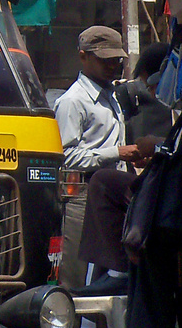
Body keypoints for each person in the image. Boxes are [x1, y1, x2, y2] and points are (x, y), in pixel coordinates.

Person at [53, 25, 150, 292]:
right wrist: (117, 153)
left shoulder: (111, 97)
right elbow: (67, 158)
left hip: (112, 196)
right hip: (82, 196)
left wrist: (131, 158)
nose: (112, 66)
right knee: (78, 277)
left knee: (110, 275)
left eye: (116, 60)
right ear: (83, 57)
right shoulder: (72, 101)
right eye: (104, 60)